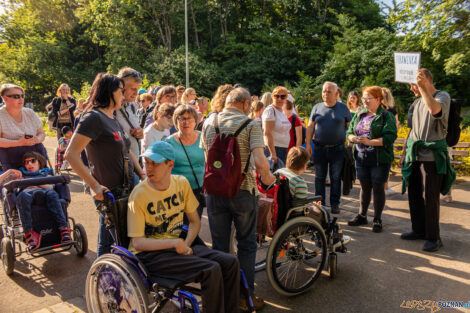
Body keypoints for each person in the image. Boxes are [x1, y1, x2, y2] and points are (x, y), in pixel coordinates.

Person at [128, 141, 240, 313]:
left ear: (170, 165)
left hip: (178, 244)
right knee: (211, 269)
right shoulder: (139, 194)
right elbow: (137, 243)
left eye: (155, 163)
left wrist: (185, 244)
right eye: (146, 162)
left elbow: (195, 222)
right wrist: (175, 244)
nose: (148, 168)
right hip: (150, 255)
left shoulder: (181, 183)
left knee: (230, 261)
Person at [201, 87, 276, 310]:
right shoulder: (251, 124)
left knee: (220, 246)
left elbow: (207, 157)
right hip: (243, 191)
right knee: (246, 244)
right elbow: (261, 162)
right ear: (245, 104)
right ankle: (245, 296)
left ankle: (222, 294)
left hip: (215, 192)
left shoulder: (209, 122)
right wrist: (269, 178)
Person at [65, 73, 145, 257]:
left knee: (112, 240)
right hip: (109, 192)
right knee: (118, 243)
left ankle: (103, 278)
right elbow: (71, 154)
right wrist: (94, 185)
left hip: (126, 188)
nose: (123, 96)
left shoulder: (112, 116)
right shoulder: (93, 118)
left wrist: (141, 174)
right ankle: (104, 279)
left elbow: (127, 149)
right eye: (120, 91)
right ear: (109, 92)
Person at [400, 68, 454, 252]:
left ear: (426, 81)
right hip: (414, 154)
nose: (412, 89)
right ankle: (418, 230)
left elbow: (434, 110)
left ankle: (433, 237)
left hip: (432, 156)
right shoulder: (415, 103)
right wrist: (404, 153)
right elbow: (412, 130)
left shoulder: (442, 96)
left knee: (430, 197)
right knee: (414, 194)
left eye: (413, 85)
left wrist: (422, 87)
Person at [346, 86, 397, 232]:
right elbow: (349, 132)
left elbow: (390, 137)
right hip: (361, 157)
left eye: (368, 98)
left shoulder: (386, 116)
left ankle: (377, 219)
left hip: (379, 159)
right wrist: (353, 138)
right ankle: (362, 215)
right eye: (363, 98)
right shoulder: (360, 114)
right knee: (364, 187)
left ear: (378, 99)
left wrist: (370, 142)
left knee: (378, 188)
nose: (365, 101)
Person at [305, 82, 351, 214]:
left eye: (329, 91)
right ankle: (319, 204)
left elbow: (349, 126)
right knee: (319, 177)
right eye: (324, 91)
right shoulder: (317, 107)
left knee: (335, 178)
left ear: (336, 94)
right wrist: (308, 144)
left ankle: (335, 204)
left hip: (338, 149)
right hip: (320, 148)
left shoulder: (343, 108)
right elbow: (310, 127)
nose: (325, 93)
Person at [16, 152, 72, 251]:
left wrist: (35, 183)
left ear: (40, 162)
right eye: (26, 162)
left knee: (52, 193)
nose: (29, 164)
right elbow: (16, 188)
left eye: (33, 161)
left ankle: (63, 229)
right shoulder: (21, 175)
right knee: (22, 196)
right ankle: (30, 233)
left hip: (46, 193)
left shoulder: (45, 173)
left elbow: (51, 186)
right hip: (27, 194)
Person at [165, 105, 205, 221]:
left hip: (198, 190)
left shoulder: (203, 138)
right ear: (176, 121)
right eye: (182, 119)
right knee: (180, 227)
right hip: (176, 193)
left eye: (189, 119)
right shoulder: (169, 142)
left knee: (195, 224)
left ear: (195, 121)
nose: (186, 122)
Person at [0, 84, 45, 148]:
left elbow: (41, 133)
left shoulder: (30, 113)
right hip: (9, 153)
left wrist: (37, 139)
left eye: (22, 96)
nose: (21, 99)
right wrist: (19, 143)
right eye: (16, 96)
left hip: (34, 151)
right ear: (5, 98)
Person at [116, 67, 144, 168]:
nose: (136, 93)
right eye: (133, 89)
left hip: (132, 170)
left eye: (138, 89)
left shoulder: (130, 107)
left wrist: (140, 133)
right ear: (121, 87)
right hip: (118, 171)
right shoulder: (110, 110)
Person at [262, 86, 292, 165]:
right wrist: (273, 153)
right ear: (272, 97)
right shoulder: (270, 110)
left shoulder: (282, 110)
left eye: (282, 97)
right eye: (277, 96)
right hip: (273, 149)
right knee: (273, 175)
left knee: (280, 176)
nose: (279, 99)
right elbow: (267, 133)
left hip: (283, 149)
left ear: (286, 98)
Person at [381, 87, 400, 196]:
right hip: (388, 140)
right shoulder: (392, 110)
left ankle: (383, 187)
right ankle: (385, 187)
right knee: (386, 163)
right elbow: (396, 125)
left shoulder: (376, 109)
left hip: (379, 139)